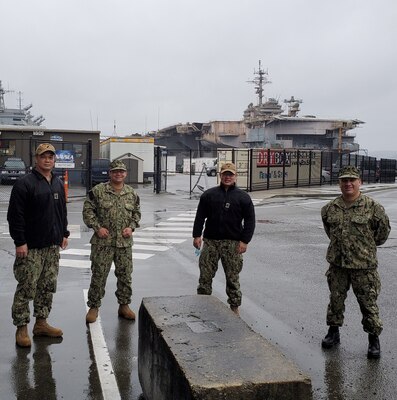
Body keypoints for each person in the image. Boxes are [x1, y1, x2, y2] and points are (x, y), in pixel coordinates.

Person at [321, 165, 390, 358]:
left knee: (368, 304)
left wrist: (364, 248)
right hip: (338, 265)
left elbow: (382, 234)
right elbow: (330, 232)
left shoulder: (373, 207)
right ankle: (333, 333)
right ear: (339, 183)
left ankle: (373, 339)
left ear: (360, 182)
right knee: (335, 301)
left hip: (363, 267)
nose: (348, 184)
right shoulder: (329, 209)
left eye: (352, 180)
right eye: (344, 180)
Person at [7, 143, 69, 348]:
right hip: (31, 247)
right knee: (27, 287)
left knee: (46, 286)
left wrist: (64, 233)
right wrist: (20, 242)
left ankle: (41, 323)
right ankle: (22, 327)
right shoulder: (25, 184)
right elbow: (15, 216)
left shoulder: (58, 183)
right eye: (44, 156)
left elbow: (62, 212)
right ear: (36, 159)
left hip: (52, 246)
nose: (48, 160)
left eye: (51, 156)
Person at [192, 162, 255, 315]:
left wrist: (245, 241)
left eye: (230, 174)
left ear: (235, 176)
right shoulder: (209, 195)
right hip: (211, 242)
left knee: (232, 277)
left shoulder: (243, 197)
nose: (228, 177)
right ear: (220, 175)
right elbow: (200, 216)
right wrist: (196, 235)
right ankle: (203, 304)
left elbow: (250, 221)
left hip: (232, 243)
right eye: (225, 174)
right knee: (205, 275)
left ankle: (234, 307)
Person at [83, 159, 141, 323]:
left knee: (125, 276)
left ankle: (124, 305)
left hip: (124, 244)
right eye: (115, 171)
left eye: (121, 171)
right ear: (110, 173)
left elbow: (136, 213)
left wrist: (131, 227)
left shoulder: (131, 193)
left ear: (125, 174)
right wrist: (97, 227)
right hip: (103, 244)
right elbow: (88, 211)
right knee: (99, 276)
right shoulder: (98, 191)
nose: (118, 174)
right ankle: (94, 307)